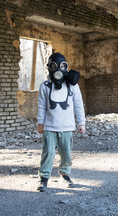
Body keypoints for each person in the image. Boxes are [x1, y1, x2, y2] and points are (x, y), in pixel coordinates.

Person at [36, 52, 86, 192]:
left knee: (66, 153)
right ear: (49, 68)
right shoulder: (45, 86)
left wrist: (81, 123)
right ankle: (43, 178)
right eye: (54, 66)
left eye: (62, 66)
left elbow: (78, 104)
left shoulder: (72, 86)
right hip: (49, 127)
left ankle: (65, 175)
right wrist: (40, 123)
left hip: (67, 126)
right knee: (48, 152)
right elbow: (41, 106)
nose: (58, 69)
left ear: (66, 67)